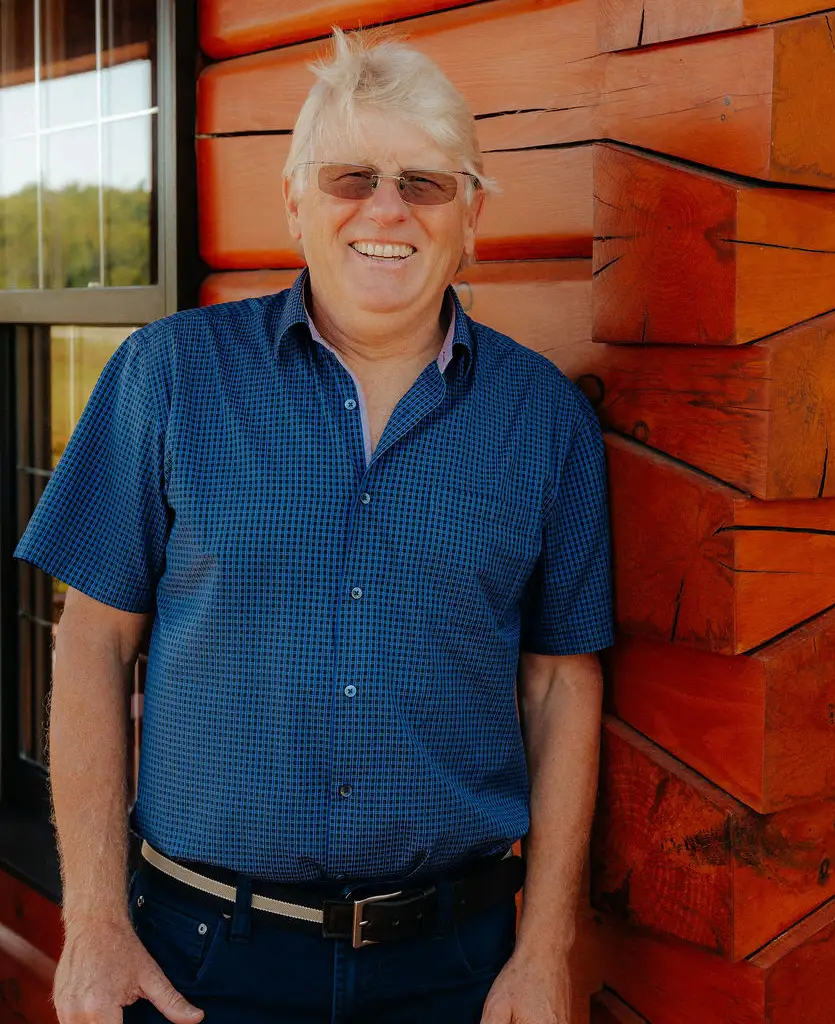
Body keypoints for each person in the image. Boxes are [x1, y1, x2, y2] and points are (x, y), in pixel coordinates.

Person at [16, 27, 612, 1024]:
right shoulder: (167, 379)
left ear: (471, 215)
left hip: (453, 969)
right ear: (295, 201)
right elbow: (90, 643)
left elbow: (562, 682)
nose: (386, 210)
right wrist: (94, 925)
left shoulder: (543, 420)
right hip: (201, 961)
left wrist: (546, 946)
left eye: (424, 183)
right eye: (351, 177)